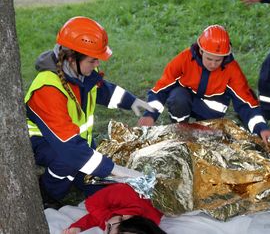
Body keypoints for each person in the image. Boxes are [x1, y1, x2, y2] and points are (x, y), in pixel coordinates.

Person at [24, 16, 153, 208]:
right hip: (46, 144)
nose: (96, 66)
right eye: (93, 61)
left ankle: (77, 176)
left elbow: (103, 90)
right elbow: (69, 148)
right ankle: (48, 192)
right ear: (71, 57)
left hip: (77, 142)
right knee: (69, 163)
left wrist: (131, 101)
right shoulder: (48, 89)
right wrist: (114, 169)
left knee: (103, 189)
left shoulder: (78, 72)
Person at [138, 24, 270, 144]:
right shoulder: (184, 60)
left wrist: (261, 128)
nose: (213, 64)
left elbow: (247, 103)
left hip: (211, 111)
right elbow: (161, 89)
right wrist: (150, 115)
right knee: (177, 97)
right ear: (201, 51)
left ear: (225, 56)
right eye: (209, 58)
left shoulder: (232, 70)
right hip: (184, 101)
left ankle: (200, 132)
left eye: (218, 60)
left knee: (206, 142)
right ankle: (180, 130)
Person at [61, 183, 166, 234]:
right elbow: (93, 204)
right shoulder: (123, 193)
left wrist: (77, 228)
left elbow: (100, 220)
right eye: (109, 228)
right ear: (126, 217)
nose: (105, 226)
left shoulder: (118, 223)